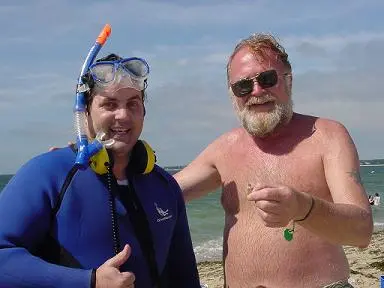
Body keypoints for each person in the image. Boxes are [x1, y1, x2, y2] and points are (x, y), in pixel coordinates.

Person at [174, 33, 373, 287]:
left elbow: (361, 231)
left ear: (288, 81)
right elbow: (160, 195)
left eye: (267, 79)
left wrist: (303, 208)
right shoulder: (224, 148)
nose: (257, 91)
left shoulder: (328, 136)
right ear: (233, 94)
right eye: (243, 86)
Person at [0, 52, 200, 287]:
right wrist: (88, 282)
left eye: (133, 104)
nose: (123, 115)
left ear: (143, 112)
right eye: (109, 104)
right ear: (85, 113)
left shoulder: (164, 186)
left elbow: (184, 277)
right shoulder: (47, 173)